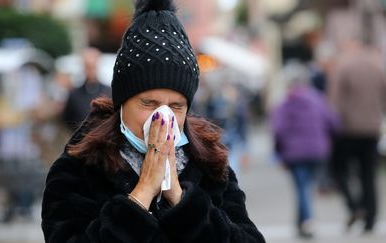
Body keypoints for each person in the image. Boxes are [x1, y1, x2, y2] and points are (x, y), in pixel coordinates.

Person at [41, 0, 265, 242]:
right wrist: (142, 194)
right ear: (122, 104)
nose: (163, 117)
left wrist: (180, 199)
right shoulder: (79, 167)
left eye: (176, 106)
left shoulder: (208, 164)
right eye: (148, 104)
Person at [271, 62, 339, 238]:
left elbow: (278, 130)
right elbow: (333, 122)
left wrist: (279, 153)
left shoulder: (285, 103)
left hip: (294, 153)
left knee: (302, 187)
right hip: (317, 150)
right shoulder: (317, 99)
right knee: (305, 186)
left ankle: (308, 221)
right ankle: (300, 223)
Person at [328, 38, 386, 232]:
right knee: (368, 175)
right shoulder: (377, 69)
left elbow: (334, 102)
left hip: (348, 130)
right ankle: (370, 218)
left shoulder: (342, 68)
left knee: (339, 170)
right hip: (371, 129)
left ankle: (355, 206)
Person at [62, 47, 112, 131]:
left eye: (93, 67)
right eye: (88, 67)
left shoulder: (108, 91)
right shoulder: (74, 94)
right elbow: (67, 119)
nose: (90, 71)